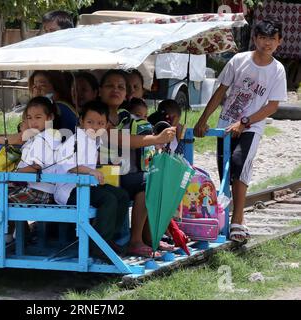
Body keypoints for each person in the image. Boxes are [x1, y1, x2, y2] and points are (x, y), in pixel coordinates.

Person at [193, 16, 287, 243]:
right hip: (225, 125)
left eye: (271, 39)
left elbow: (272, 106)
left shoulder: (277, 70)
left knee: (238, 163)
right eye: (262, 38)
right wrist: (203, 119)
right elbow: (220, 92)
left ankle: (238, 220)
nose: (267, 43)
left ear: (279, 42)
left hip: (251, 127)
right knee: (225, 170)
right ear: (254, 38)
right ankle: (224, 218)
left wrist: (244, 122)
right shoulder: (239, 60)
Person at [0, 96, 62, 256]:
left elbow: (35, 167)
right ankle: (7, 236)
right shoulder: (40, 137)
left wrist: (12, 175)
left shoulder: (45, 138)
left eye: (38, 117)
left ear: (50, 118)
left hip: (40, 193)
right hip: (37, 189)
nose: (33, 122)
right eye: (29, 118)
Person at [99, 69, 176, 257]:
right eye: (109, 85)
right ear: (99, 90)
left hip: (120, 173)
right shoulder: (96, 114)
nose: (115, 90)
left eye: (120, 87)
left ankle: (148, 238)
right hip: (99, 173)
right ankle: (136, 241)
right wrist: (155, 138)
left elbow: (140, 140)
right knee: (147, 180)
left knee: (153, 179)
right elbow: (119, 139)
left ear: (127, 94)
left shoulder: (127, 117)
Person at [54, 101, 129, 256]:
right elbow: (68, 164)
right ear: (81, 121)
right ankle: (98, 246)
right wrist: (90, 171)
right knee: (108, 199)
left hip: (86, 187)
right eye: (90, 122)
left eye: (100, 123)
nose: (95, 127)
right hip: (70, 190)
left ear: (107, 124)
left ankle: (107, 240)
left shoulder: (95, 140)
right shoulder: (75, 139)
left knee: (122, 196)